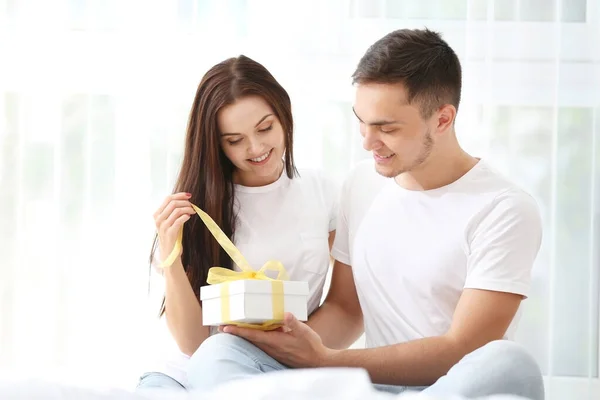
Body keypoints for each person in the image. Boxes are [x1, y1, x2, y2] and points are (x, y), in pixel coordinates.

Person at [185, 28, 545, 400]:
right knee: (218, 354)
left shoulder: (504, 208)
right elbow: (345, 308)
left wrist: (325, 362)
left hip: (451, 387)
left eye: (386, 128)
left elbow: (463, 347)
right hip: (367, 387)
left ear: (442, 119)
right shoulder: (362, 184)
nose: (368, 143)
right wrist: (291, 347)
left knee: (506, 362)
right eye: (362, 122)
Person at [135, 55, 338, 391]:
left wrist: (302, 351)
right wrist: (171, 258)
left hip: (275, 371)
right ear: (216, 142)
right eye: (234, 140)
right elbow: (192, 344)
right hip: (187, 373)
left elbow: (345, 307)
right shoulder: (198, 205)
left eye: (265, 128)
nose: (256, 148)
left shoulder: (322, 192)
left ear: (284, 113)